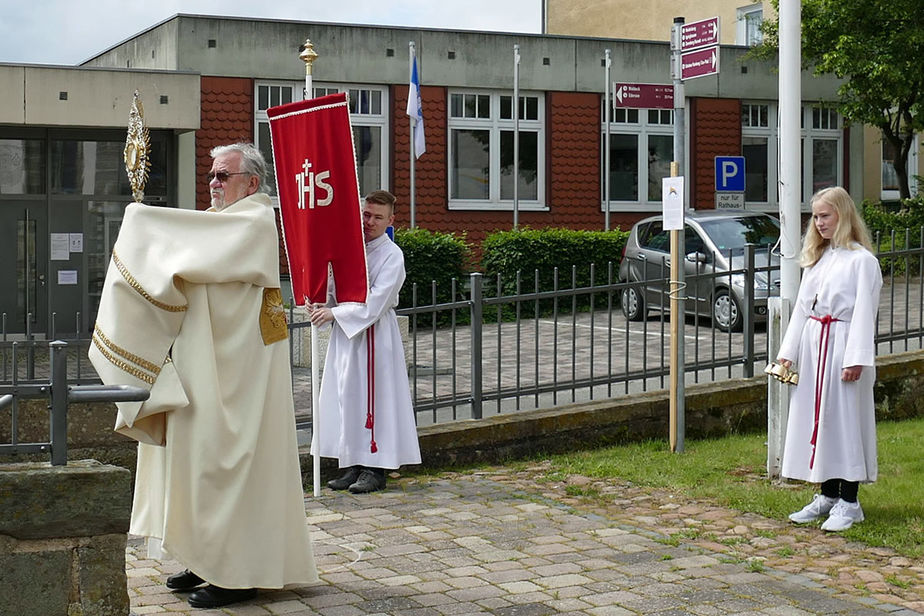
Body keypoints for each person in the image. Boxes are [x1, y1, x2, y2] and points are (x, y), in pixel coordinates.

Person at [89, 143, 318, 608]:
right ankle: (204, 557)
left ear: (251, 184)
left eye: (223, 175)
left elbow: (183, 244)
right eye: (211, 175)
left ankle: (237, 574)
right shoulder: (219, 223)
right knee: (195, 463)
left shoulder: (254, 222)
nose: (212, 183)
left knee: (223, 464)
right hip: (204, 367)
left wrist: (140, 219)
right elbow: (185, 249)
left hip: (237, 378)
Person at [776, 186, 882, 532]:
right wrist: (787, 354)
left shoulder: (862, 261)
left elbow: (865, 314)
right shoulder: (818, 259)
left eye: (825, 215)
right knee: (817, 421)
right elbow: (803, 310)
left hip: (842, 347)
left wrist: (856, 358)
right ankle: (827, 494)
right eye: (816, 217)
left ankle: (849, 501)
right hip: (815, 346)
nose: (818, 223)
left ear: (843, 215)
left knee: (845, 421)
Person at [308, 189, 421, 493]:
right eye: (366, 214)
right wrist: (322, 303)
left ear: (391, 220)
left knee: (376, 398)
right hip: (346, 335)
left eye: (378, 217)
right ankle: (351, 464)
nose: (370, 221)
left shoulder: (392, 255)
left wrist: (335, 314)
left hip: (375, 334)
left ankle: (375, 468)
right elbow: (335, 288)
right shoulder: (349, 248)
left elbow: (377, 301)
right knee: (347, 396)